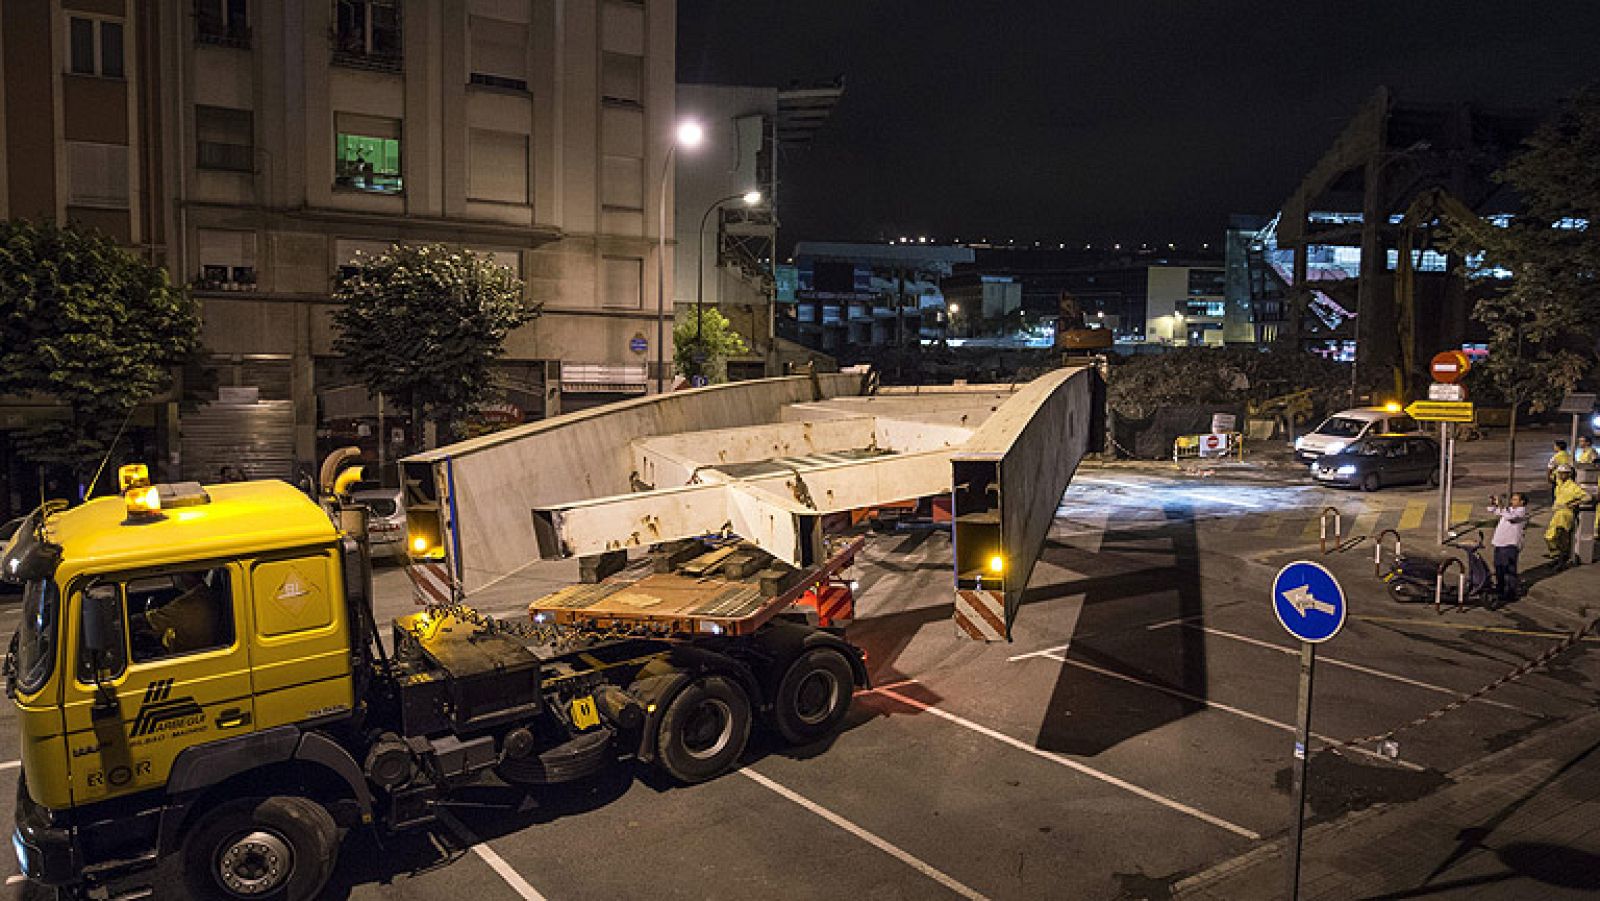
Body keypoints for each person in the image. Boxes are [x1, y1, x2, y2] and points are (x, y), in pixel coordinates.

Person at [145, 572, 224, 655]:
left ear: (187, 576)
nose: (175, 577)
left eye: (179, 574)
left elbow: (148, 621)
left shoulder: (190, 602)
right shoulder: (206, 594)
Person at [1544, 466, 1595, 568]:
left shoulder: (1573, 487)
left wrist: (1574, 503)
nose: (1560, 475)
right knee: (1549, 536)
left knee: (1561, 536)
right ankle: (1556, 556)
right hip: (1557, 513)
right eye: (1559, 473)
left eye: (1563, 473)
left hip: (1565, 513)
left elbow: (1588, 497)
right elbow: (1551, 477)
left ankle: (1561, 559)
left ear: (1569, 474)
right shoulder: (1559, 484)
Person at [1487, 493, 1528, 603]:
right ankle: (1500, 588)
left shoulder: (1521, 512)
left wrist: (1501, 505)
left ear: (1522, 502)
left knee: (1509, 570)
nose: (1512, 501)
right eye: (1512, 499)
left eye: (1515, 499)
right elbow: (1492, 510)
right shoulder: (1509, 509)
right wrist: (1494, 503)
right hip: (1499, 542)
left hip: (1510, 544)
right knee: (1499, 567)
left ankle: (1510, 593)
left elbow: (1510, 517)